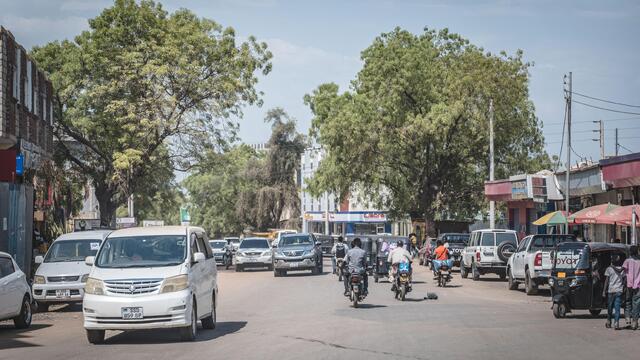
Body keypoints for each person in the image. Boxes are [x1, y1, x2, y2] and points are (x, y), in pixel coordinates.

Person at [604, 254, 626, 330]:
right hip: (619, 290)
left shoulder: (609, 269)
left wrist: (604, 291)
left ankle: (609, 321)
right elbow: (624, 280)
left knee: (610, 307)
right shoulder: (622, 270)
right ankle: (616, 323)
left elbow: (606, 281)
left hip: (611, 291)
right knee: (617, 308)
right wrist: (623, 287)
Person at [622, 245, 640, 330]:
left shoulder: (627, 261)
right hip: (638, 285)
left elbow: (624, 273)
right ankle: (635, 322)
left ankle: (628, 317)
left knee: (628, 301)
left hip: (628, 284)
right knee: (636, 303)